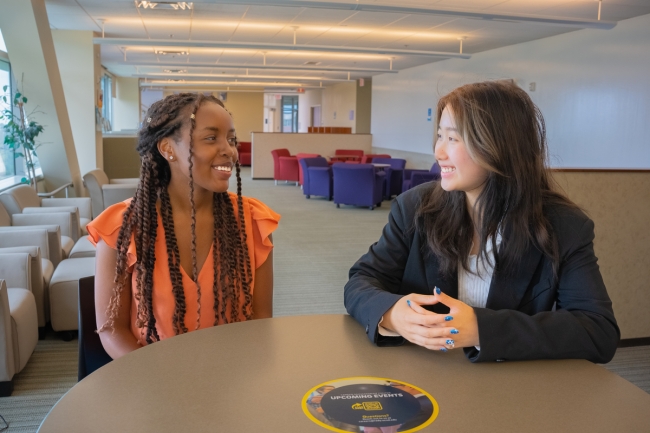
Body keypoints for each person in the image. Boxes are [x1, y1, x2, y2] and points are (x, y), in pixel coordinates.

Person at [344, 81, 619, 363]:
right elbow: (361, 282)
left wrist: (481, 329)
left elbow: (598, 331)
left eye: (453, 138)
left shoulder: (564, 226)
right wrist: (392, 313)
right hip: (426, 376)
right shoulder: (415, 208)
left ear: (499, 146)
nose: (439, 152)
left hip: (515, 385)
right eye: (440, 136)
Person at [88, 93, 280, 359]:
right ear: (167, 149)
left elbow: (260, 319)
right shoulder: (123, 226)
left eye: (231, 139)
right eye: (211, 138)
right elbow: (112, 330)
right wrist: (160, 381)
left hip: (233, 374)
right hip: (151, 377)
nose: (229, 150)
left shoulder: (253, 221)